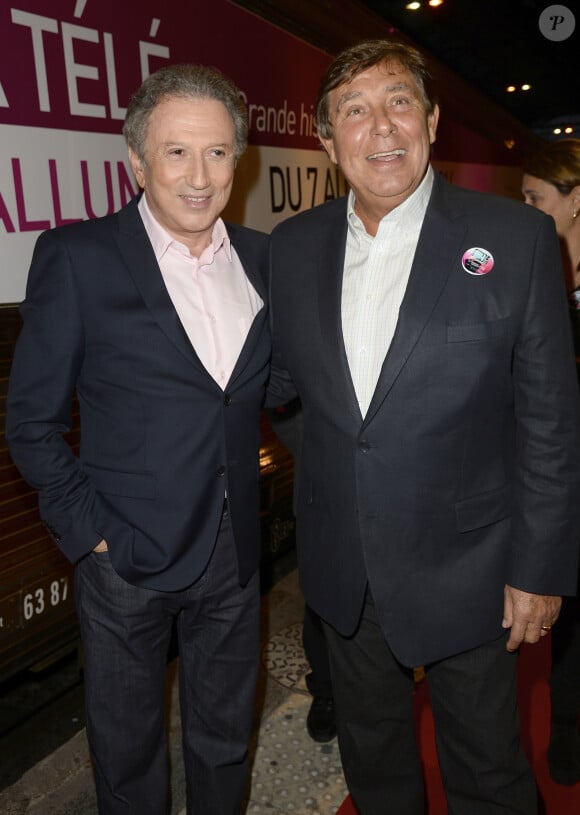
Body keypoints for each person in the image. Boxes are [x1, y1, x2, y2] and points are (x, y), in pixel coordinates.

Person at [267, 39, 580, 813]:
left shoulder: (517, 240)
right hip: (345, 570)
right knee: (376, 770)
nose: (381, 127)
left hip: (471, 568)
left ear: (432, 121)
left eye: (399, 102)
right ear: (326, 138)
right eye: (355, 110)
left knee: (489, 773)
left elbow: (550, 420)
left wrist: (539, 567)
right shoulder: (292, 249)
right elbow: (280, 389)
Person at [6, 63, 270, 814]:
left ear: (237, 161)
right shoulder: (79, 258)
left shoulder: (261, 260)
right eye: (177, 151)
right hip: (126, 559)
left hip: (235, 553)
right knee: (128, 754)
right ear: (137, 161)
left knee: (224, 739)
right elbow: (30, 422)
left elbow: (278, 389)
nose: (198, 175)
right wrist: (95, 538)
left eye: (217, 152)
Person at [522, 137, 580, 786]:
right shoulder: (535, 275)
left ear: (575, 201)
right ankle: (564, 724)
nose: (529, 210)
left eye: (538, 198)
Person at [266, 402, 336, 742]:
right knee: (321, 603)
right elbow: (280, 394)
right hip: (320, 486)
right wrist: (319, 447)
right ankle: (326, 689)